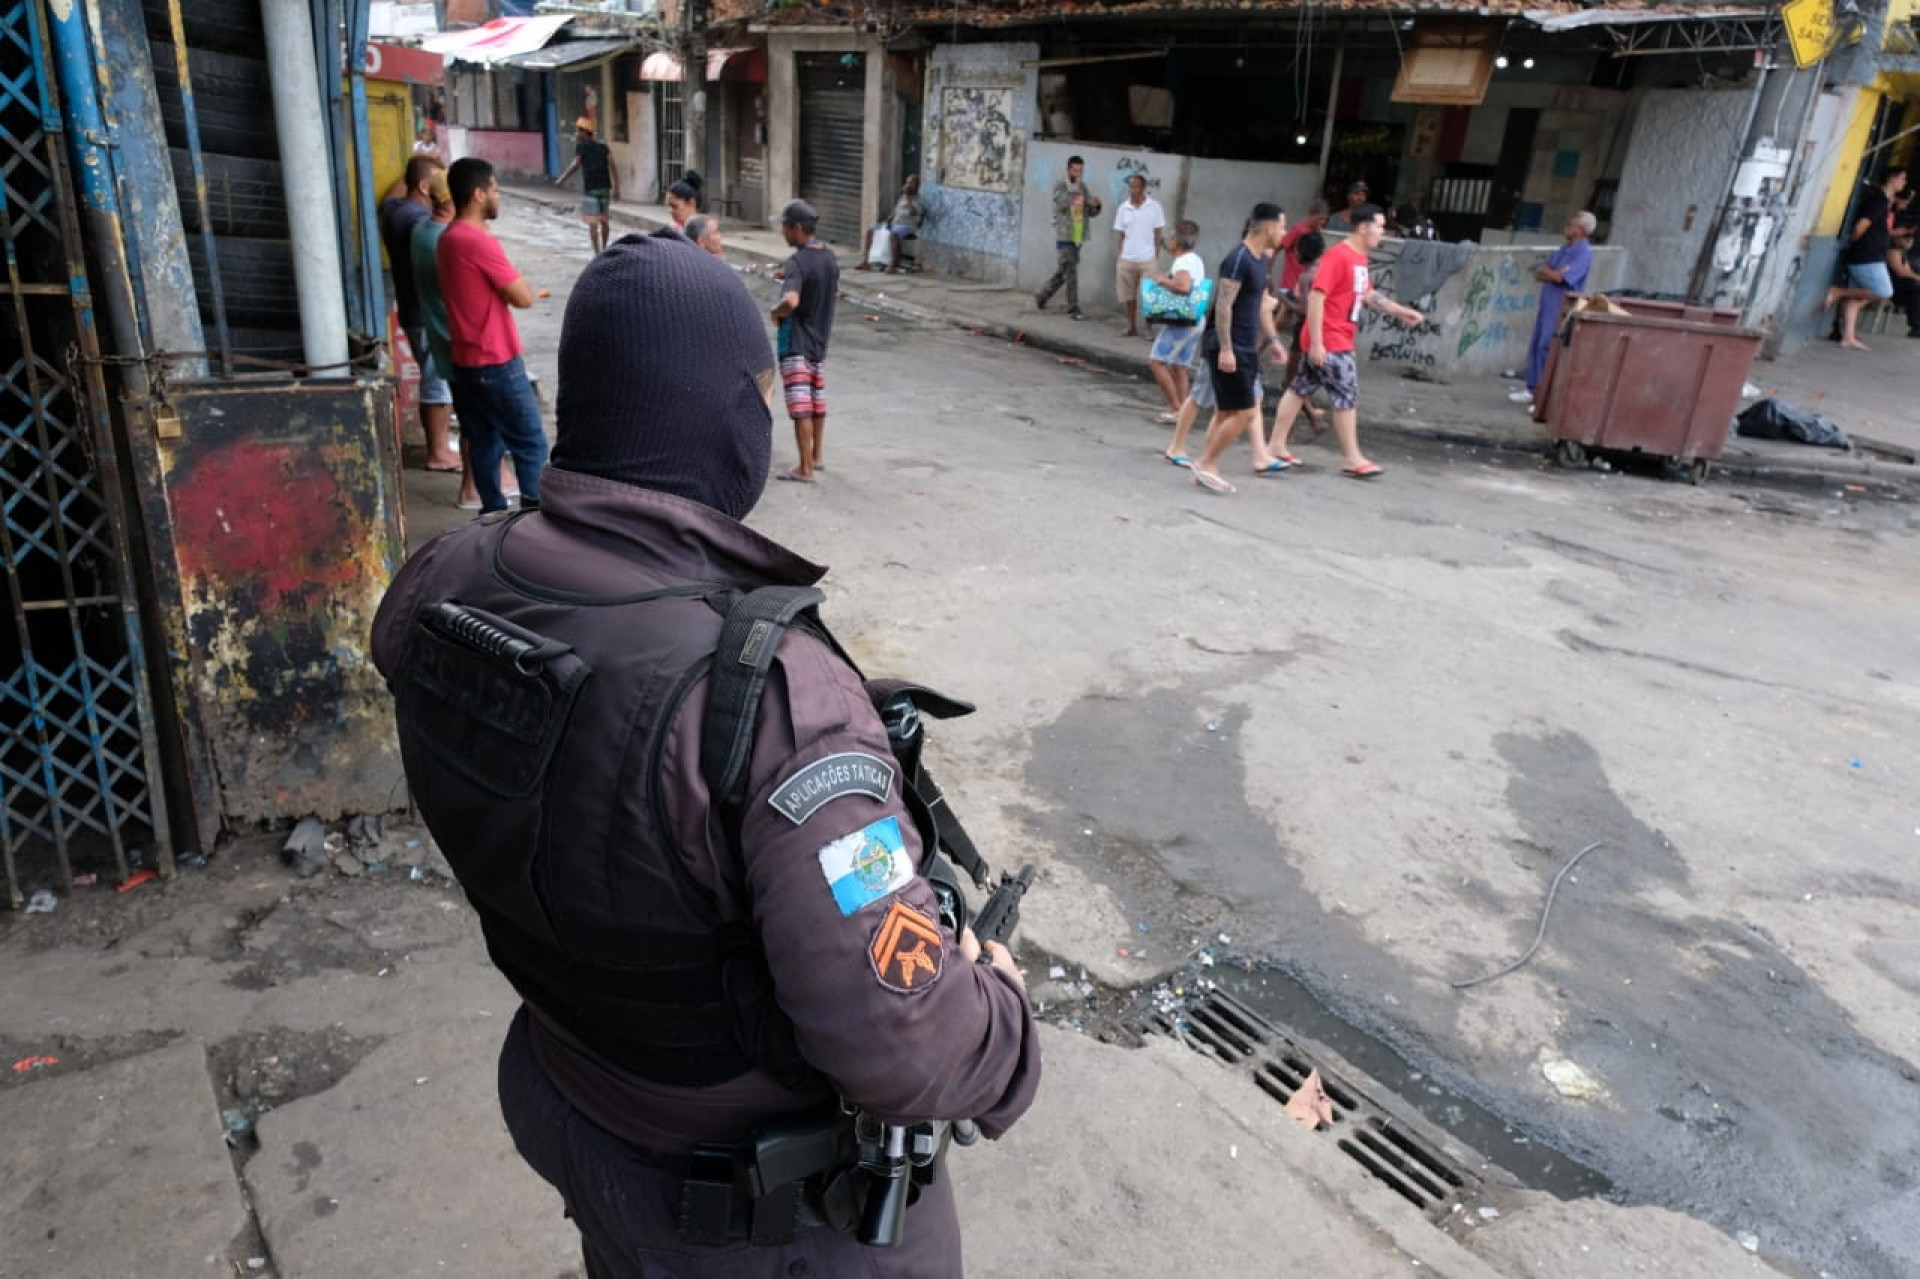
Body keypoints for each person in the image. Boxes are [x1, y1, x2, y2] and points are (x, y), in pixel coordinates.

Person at [369, 230, 1040, 1278]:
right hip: (754, 1212)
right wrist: (999, 1017)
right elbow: (907, 1041)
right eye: (759, 392)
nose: (766, 416)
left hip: (579, 1107)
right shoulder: (780, 699)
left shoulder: (446, 570)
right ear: (719, 407)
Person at [1268, 204, 1425, 480]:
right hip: (1332, 338)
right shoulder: (1339, 256)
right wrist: (1318, 343)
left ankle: (1276, 445)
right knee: (1346, 395)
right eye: (1379, 226)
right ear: (1364, 228)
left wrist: (1401, 311)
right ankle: (1352, 458)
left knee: (1298, 389)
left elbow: (1367, 294)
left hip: (1331, 337)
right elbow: (1317, 296)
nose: (1383, 232)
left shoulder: (1358, 259)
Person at [438, 158, 547, 513]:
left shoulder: (449, 237)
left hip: (466, 360)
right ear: (478, 193)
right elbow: (524, 297)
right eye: (495, 189)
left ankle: (493, 515)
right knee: (530, 442)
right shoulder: (476, 242)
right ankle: (534, 522)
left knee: (485, 442)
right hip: (495, 360)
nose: (498, 196)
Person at [1189, 204, 1291, 492]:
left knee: (1225, 414)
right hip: (1230, 346)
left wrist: (1272, 341)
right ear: (1269, 227)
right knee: (1247, 412)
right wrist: (1225, 348)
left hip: (1245, 345)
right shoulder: (1238, 259)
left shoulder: (1259, 261)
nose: (1284, 233)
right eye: (1282, 227)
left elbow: (1259, 306)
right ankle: (1206, 463)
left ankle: (1206, 465)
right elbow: (1223, 304)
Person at [379, 155, 460, 473]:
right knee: (437, 382)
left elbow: (395, 191)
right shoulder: (418, 222)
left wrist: (426, 166)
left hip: (412, 308)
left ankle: (437, 448)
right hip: (426, 312)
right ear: (426, 188)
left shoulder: (394, 209)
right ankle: (438, 452)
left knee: (433, 379)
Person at [771, 200, 839, 483]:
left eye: (785, 227)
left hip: (797, 341)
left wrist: (776, 311)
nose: (783, 232)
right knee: (816, 400)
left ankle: (805, 468)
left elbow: (792, 299)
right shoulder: (829, 257)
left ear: (797, 228)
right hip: (819, 341)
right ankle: (817, 456)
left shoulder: (797, 262)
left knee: (801, 406)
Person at [1513, 211, 1595, 408]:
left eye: (1571, 223)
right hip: (1548, 302)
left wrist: (1552, 273)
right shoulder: (1565, 249)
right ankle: (1532, 388)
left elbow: (1562, 278)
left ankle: (1542, 395)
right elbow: (1542, 273)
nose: (1567, 226)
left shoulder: (1583, 252)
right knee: (1536, 343)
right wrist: (1552, 273)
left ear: (1581, 230)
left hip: (1561, 306)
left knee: (1546, 347)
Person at [1825, 167, 1906, 351]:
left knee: (1856, 298)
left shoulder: (1884, 202)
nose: (1904, 182)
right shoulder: (1878, 201)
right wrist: (1854, 240)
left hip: (1869, 255)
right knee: (1884, 291)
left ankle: (1848, 336)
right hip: (1867, 256)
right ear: (1891, 179)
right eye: (1902, 178)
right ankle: (1837, 292)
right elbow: (1862, 225)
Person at [1147, 220, 1205, 422]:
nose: (1169, 241)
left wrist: (1164, 280)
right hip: (1196, 319)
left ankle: (1175, 407)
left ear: (1177, 241)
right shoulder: (1195, 259)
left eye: (1171, 237)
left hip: (1182, 322)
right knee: (1180, 366)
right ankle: (1183, 410)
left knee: (1157, 361)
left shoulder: (1181, 262)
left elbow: (1184, 287)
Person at [1033, 155, 1100, 319]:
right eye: (1075, 170)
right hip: (1065, 234)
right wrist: (1079, 195)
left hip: (1078, 234)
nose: (1078, 174)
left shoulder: (1082, 186)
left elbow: (1088, 212)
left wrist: (1096, 206)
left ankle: (1042, 295)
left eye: (1081, 171)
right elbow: (1062, 204)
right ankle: (1073, 308)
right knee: (1071, 271)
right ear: (1068, 169)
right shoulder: (1061, 185)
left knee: (1064, 270)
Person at [1113, 173, 1166, 338]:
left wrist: (1155, 254)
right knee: (1127, 296)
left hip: (1147, 259)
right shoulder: (1123, 208)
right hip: (1127, 258)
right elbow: (1120, 234)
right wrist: (1122, 253)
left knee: (1149, 296)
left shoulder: (1154, 207)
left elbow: (1158, 233)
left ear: (1143, 188)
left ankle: (1148, 328)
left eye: (1136, 187)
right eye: (1131, 187)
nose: (1133, 190)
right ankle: (1131, 325)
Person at [555, 117, 619, 255]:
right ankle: (605, 248)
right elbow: (613, 166)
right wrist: (617, 188)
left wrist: (562, 179)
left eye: (578, 131)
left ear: (585, 132)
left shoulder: (581, 147)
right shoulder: (603, 147)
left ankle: (597, 253)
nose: (576, 134)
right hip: (604, 188)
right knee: (604, 221)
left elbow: (575, 165)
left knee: (593, 223)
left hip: (591, 189)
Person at [858, 174, 924, 273]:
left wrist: (908, 198)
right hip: (895, 224)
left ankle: (893, 265)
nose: (908, 185)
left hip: (907, 226)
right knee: (871, 230)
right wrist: (885, 222)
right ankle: (866, 262)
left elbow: (912, 213)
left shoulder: (919, 200)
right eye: (907, 182)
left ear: (917, 186)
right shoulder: (902, 198)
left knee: (894, 235)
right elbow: (894, 212)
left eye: (911, 183)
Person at [1272, 198, 1329, 297]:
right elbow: (1277, 248)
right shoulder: (1298, 229)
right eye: (1320, 218)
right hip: (1290, 284)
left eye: (1325, 220)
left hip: (1306, 287)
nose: (1323, 222)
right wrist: (1268, 273)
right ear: (1311, 215)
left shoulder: (1317, 233)